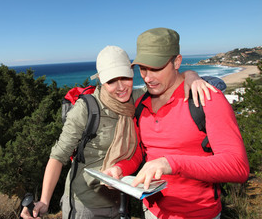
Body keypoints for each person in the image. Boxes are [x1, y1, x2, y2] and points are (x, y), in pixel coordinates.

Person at [21, 45, 215, 219]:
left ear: (132, 73)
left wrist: (191, 75)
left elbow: (170, 83)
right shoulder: (87, 108)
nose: (121, 87)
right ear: (101, 81)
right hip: (85, 206)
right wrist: (45, 201)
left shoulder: (138, 99)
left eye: (125, 77)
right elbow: (58, 156)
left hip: (121, 203)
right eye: (112, 81)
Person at [104, 28, 250, 219]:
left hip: (199, 214)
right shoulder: (141, 105)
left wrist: (171, 163)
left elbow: (238, 167)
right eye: (143, 68)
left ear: (177, 62)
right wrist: (120, 169)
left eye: (156, 68)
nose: (147, 78)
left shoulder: (206, 99)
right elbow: (140, 152)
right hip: (152, 212)